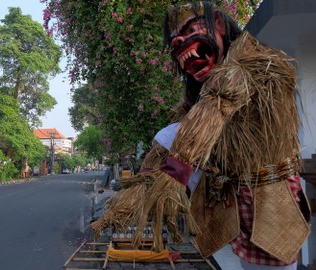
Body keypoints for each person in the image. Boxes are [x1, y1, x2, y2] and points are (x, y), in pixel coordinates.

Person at [91, 2, 310, 269]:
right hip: (238, 201)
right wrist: (140, 191)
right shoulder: (202, 95)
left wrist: (173, 172)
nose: (180, 44)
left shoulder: (255, 65)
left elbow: (214, 108)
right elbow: (181, 132)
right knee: (169, 137)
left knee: (274, 260)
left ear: (218, 24)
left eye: (189, 30)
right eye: (175, 42)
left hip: (271, 199)